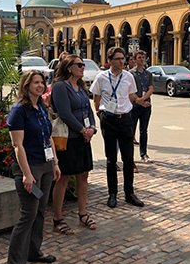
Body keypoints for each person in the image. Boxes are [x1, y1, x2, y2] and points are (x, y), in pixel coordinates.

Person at [6, 70, 60, 264]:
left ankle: (33, 251)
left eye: (42, 82)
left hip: (46, 165)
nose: (40, 85)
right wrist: (27, 175)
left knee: (39, 212)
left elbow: (50, 137)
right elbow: (17, 146)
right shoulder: (19, 110)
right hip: (30, 168)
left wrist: (55, 162)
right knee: (27, 214)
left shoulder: (42, 108)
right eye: (35, 82)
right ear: (26, 85)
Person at [91, 47, 144, 208]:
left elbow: (130, 96)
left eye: (123, 58)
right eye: (118, 59)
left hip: (125, 119)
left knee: (128, 159)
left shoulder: (129, 77)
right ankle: (112, 193)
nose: (122, 61)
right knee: (111, 159)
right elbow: (96, 99)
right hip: (109, 120)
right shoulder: (101, 77)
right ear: (110, 61)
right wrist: (102, 114)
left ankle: (129, 193)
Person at [50, 55, 97, 235]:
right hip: (69, 138)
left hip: (83, 139)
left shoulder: (81, 87)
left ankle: (83, 213)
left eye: (83, 64)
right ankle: (57, 219)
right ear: (68, 67)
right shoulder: (61, 87)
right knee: (63, 178)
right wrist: (83, 130)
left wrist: (92, 128)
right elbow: (65, 114)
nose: (83, 67)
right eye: (79, 64)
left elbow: (89, 110)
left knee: (83, 175)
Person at [130, 50, 154, 163]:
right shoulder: (130, 74)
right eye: (139, 57)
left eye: (143, 57)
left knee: (143, 130)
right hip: (133, 106)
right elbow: (129, 90)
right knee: (131, 130)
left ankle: (143, 154)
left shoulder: (148, 74)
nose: (141, 59)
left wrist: (143, 99)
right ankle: (129, 156)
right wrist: (138, 100)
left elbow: (150, 89)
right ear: (134, 60)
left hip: (146, 106)